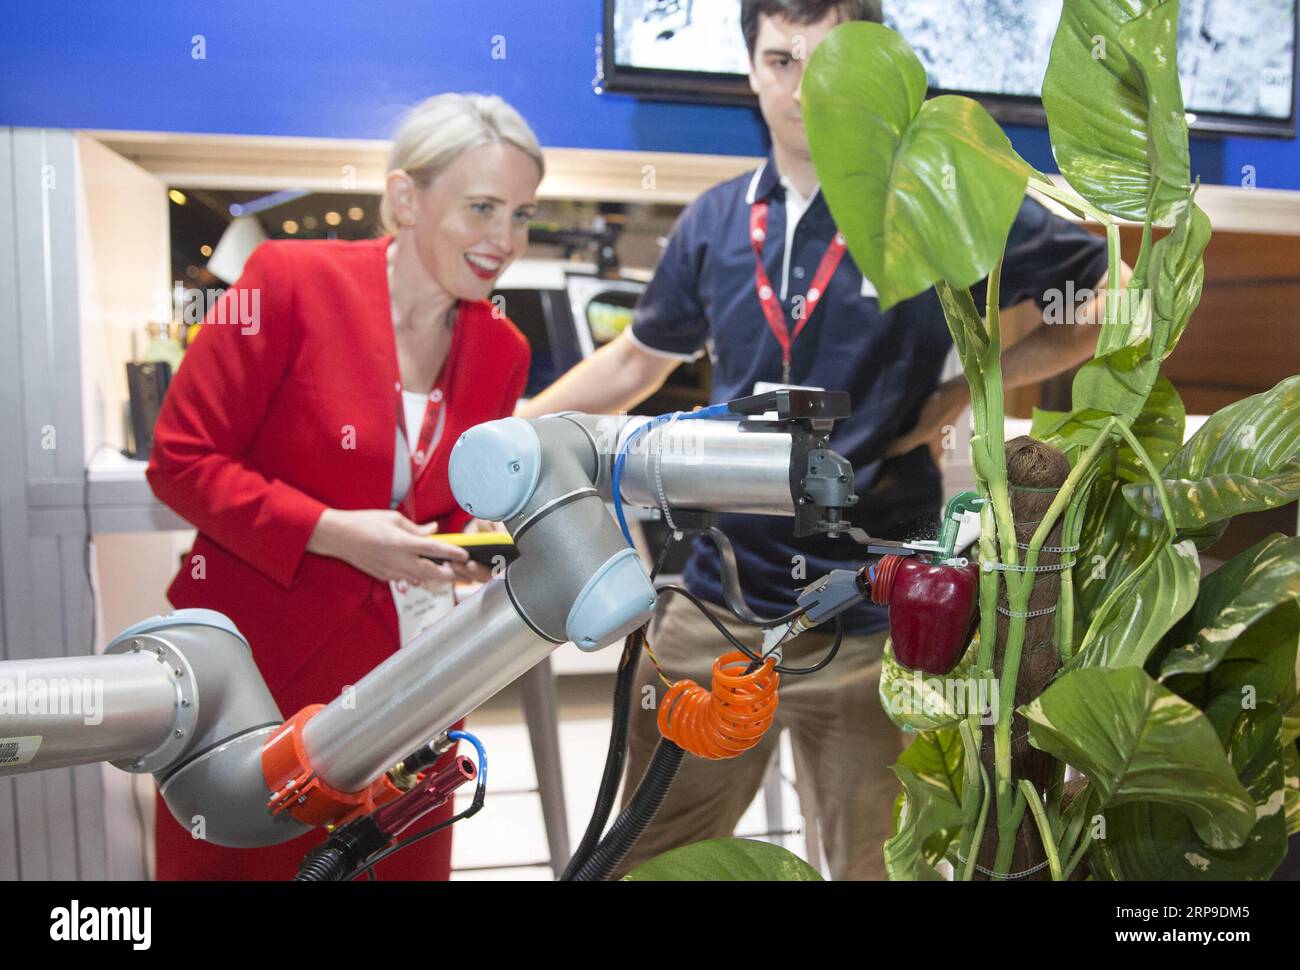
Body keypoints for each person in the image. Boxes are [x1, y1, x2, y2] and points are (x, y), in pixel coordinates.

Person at [519, 0, 1117, 879]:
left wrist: (965, 384)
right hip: (716, 600)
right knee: (656, 855)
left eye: (826, 61)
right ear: (752, 72)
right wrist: (514, 438)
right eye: (780, 60)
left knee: (875, 860)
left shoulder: (934, 202)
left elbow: (1094, 303)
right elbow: (635, 361)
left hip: (876, 613)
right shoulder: (717, 221)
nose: (801, 87)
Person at [147, 93, 543, 880]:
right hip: (258, 686)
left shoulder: (504, 348)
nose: (504, 240)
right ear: (405, 198)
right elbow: (182, 460)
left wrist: (469, 552)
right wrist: (333, 530)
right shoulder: (290, 282)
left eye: (523, 215)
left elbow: (461, 506)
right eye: (482, 208)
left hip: (412, 700)